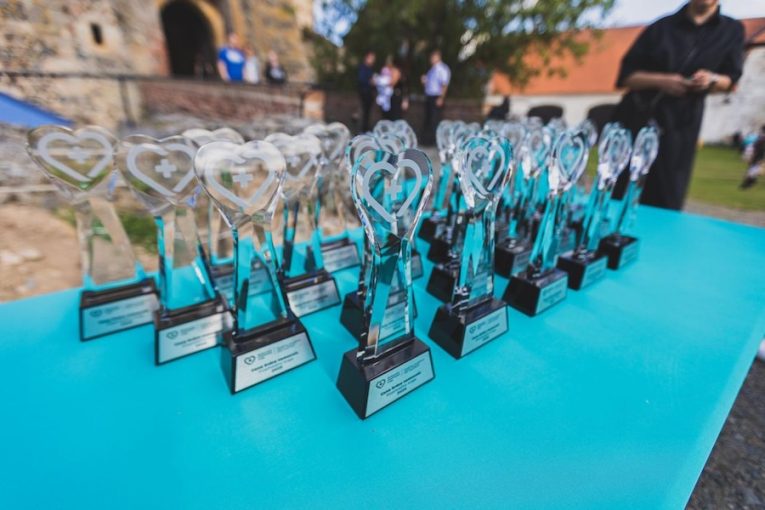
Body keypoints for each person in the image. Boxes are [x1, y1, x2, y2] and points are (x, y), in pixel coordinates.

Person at [612, 0, 744, 210]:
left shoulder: (731, 30)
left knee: (666, 196)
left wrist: (711, 79)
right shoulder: (662, 27)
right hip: (638, 117)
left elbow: (731, 81)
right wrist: (662, 81)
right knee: (620, 188)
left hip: (681, 126)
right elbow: (626, 77)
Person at [421, 50, 451, 145]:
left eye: (433, 57)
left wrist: (441, 98)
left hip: (436, 96)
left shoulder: (442, 69)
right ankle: (428, 141)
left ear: (438, 57)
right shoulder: (431, 70)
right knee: (429, 119)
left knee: (435, 120)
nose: (431, 59)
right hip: (429, 96)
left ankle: (435, 141)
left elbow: (444, 84)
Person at [740, 125, 765, 189]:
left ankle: (748, 183)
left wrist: (752, 156)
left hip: (757, 156)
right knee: (753, 169)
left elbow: (756, 148)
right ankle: (750, 182)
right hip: (758, 156)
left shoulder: (760, 138)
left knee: (753, 169)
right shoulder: (760, 138)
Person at [358, 52, 376, 132]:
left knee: (368, 112)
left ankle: (366, 127)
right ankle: (364, 129)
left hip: (369, 92)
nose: (373, 61)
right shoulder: (363, 68)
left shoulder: (370, 68)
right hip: (365, 92)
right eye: (371, 58)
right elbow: (362, 79)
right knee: (365, 111)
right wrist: (370, 82)